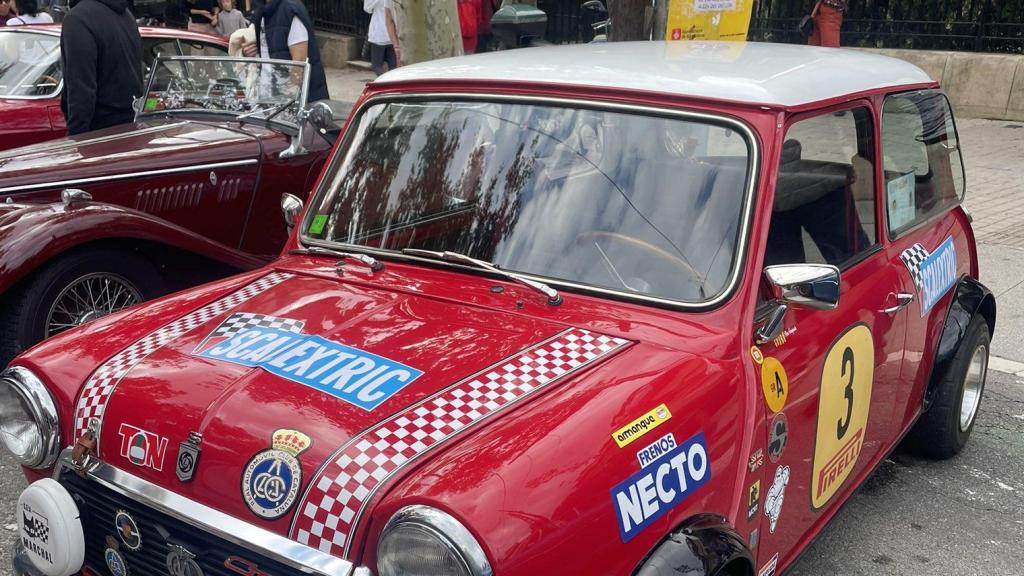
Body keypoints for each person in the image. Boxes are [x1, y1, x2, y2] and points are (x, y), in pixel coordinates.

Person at [60, 0, 142, 135]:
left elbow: (81, 88)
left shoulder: (78, 18)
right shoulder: (127, 15)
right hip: (131, 126)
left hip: (98, 134)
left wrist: (75, 139)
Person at [241, 0, 328, 102]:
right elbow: (263, 53)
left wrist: (287, 102)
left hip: (291, 102)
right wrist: (248, 52)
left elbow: (299, 65)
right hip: (267, 98)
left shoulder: (290, 9)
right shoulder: (261, 11)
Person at [363, 0, 399, 76]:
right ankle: (390, 83)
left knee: (377, 65)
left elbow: (367, 8)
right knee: (393, 66)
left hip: (378, 35)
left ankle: (385, 83)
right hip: (392, 35)